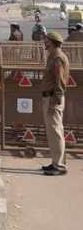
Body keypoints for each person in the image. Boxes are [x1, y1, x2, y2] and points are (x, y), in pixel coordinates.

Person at [40, 32, 70, 176]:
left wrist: (54, 101)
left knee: (56, 132)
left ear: (51, 42)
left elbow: (60, 82)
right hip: (50, 97)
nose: (44, 42)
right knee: (55, 132)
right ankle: (56, 162)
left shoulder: (57, 58)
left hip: (53, 99)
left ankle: (59, 166)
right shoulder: (53, 56)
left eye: (46, 40)